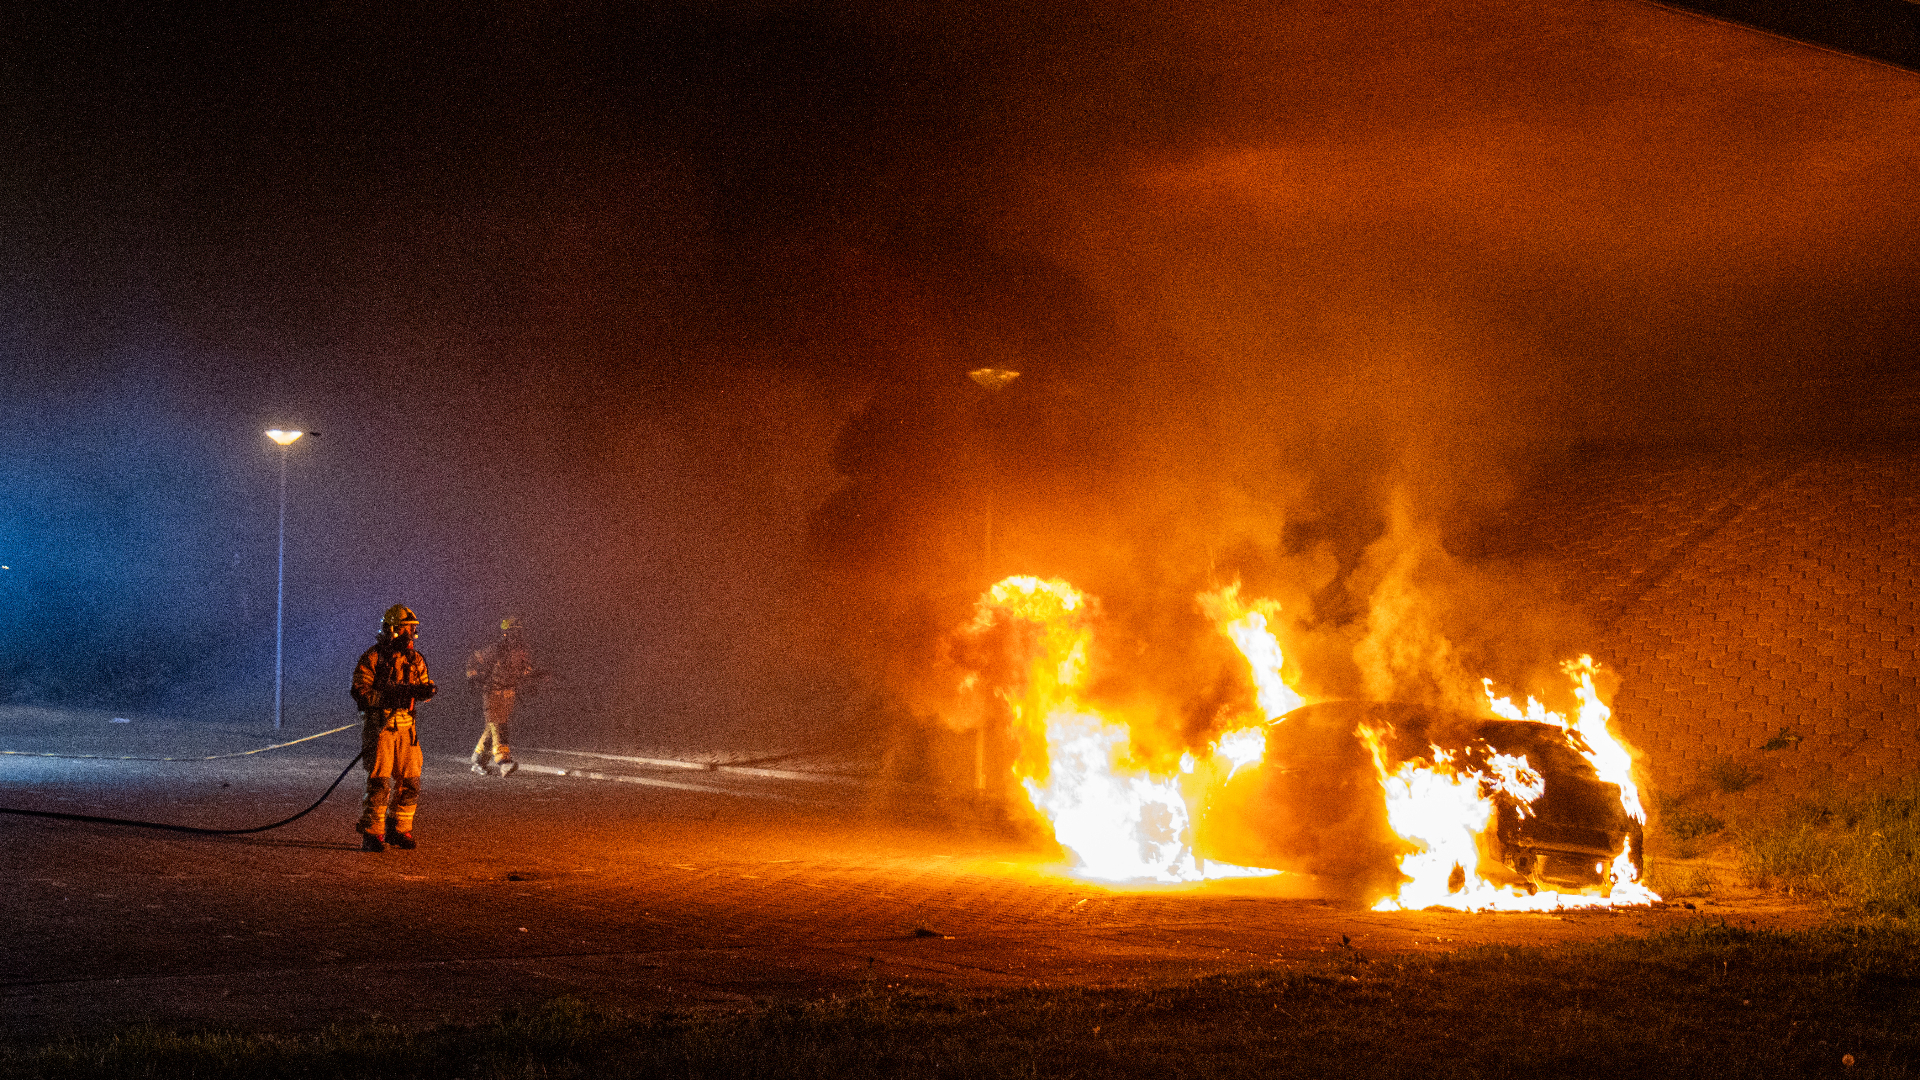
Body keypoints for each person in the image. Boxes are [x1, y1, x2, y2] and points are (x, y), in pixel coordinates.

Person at [350, 604, 436, 852]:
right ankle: (372, 833)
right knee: (379, 784)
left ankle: (399, 829)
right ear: (392, 630)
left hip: (407, 730)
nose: (411, 635)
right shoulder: (373, 657)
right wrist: (387, 698)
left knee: (411, 782)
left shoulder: (415, 659)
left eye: (413, 630)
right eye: (406, 629)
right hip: (381, 728)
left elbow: (422, 686)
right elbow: (359, 691)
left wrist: (425, 691)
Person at [467, 614, 538, 776]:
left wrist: (530, 682)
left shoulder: (522, 652)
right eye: (513, 632)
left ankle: (477, 760)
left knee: (492, 727)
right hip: (492, 693)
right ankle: (503, 761)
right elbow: (474, 659)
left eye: (519, 632)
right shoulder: (496, 650)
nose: (517, 636)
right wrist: (472, 678)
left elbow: (526, 670)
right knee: (499, 727)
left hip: (508, 695)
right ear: (505, 634)